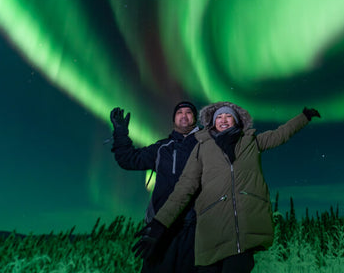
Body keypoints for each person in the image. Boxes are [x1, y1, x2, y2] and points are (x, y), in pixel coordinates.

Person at [132, 101, 321, 273]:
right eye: (219, 117)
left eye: (228, 116)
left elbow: (281, 134)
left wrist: (303, 117)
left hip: (243, 234)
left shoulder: (251, 142)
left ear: (236, 120)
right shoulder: (201, 148)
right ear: (213, 123)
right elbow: (184, 188)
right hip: (211, 232)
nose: (223, 120)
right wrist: (160, 224)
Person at [110, 101, 201, 273]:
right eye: (179, 112)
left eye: (188, 112)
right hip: (160, 229)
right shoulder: (162, 148)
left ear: (195, 119)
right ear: (174, 119)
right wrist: (120, 133)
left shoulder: (206, 147)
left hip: (195, 229)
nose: (184, 115)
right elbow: (129, 159)